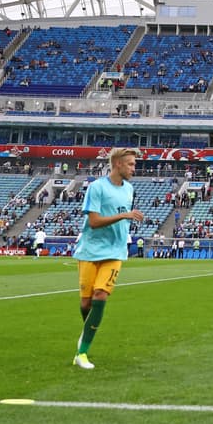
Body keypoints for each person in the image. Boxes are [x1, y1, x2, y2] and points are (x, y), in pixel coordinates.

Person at [72, 148, 144, 370]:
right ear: (118, 164)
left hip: (115, 252)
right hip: (90, 250)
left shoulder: (129, 189)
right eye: (131, 164)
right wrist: (124, 215)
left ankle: (82, 352)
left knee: (100, 295)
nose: (134, 168)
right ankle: (87, 333)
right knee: (86, 303)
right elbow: (93, 222)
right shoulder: (97, 187)